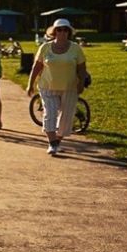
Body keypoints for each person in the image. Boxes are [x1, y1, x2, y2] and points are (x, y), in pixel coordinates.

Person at [26, 18, 87, 156]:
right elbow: (36, 67)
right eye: (59, 29)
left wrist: (81, 83)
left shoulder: (75, 48)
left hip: (69, 87)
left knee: (66, 118)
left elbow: (82, 68)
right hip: (48, 86)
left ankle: (57, 140)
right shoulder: (45, 47)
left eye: (66, 30)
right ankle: (52, 143)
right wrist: (30, 84)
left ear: (69, 32)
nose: (62, 32)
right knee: (50, 114)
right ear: (54, 32)